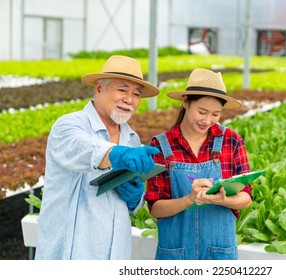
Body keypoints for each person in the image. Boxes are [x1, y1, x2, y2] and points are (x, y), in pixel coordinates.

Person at [35, 55, 160, 260]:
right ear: (99, 89)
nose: (129, 99)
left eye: (136, 94)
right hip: (71, 252)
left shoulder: (131, 138)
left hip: (115, 252)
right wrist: (120, 154)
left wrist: (135, 198)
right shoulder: (69, 125)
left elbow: (129, 203)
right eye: (122, 90)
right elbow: (82, 148)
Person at [146, 68, 252, 260]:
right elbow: (155, 208)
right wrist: (189, 199)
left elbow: (246, 198)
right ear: (185, 102)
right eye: (202, 112)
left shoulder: (231, 140)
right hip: (175, 253)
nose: (207, 120)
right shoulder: (161, 145)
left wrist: (222, 200)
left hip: (219, 253)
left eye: (215, 114)